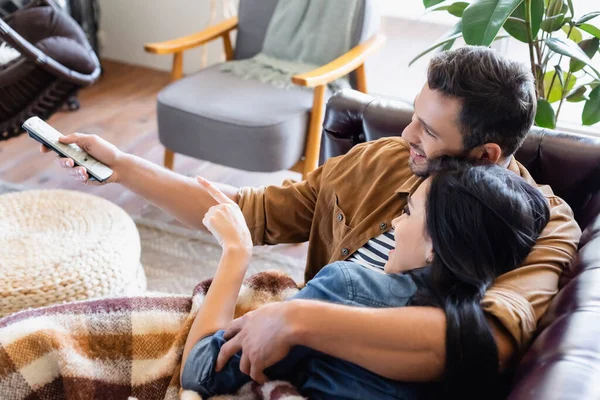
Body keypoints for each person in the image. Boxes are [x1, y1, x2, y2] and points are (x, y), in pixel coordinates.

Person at [41, 46, 581, 384]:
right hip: (273, 337)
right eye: (414, 117)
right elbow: (249, 213)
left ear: (487, 155)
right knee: (60, 339)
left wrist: (298, 321)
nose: (406, 137)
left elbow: (487, 343)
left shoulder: (541, 224)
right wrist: (124, 168)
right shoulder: (383, 160)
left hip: (300, 357)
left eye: (430, 132)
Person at [180, 159, 550, 399]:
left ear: (436, 247)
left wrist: (235, 252)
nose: (395, 226)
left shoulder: (348, 288)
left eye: (407, 212)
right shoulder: (480, 331)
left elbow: (199, 373)